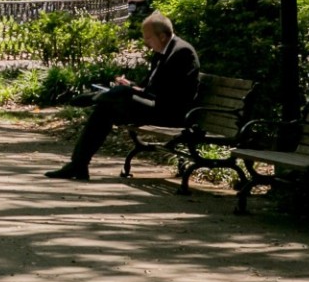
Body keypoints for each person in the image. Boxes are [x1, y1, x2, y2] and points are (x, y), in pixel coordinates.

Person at [45, 11, 199, 180]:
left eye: (148, 38)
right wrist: (133, 86)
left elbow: (168, 93)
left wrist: (135, 91)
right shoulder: (164, 51)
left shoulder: (182, 52)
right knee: (106, 108)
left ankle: (93, 98)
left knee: (120, 96)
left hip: (171, 113)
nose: (146, 42)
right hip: (156, 106)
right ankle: (78, 164)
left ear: (162, 36)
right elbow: (149, 85)